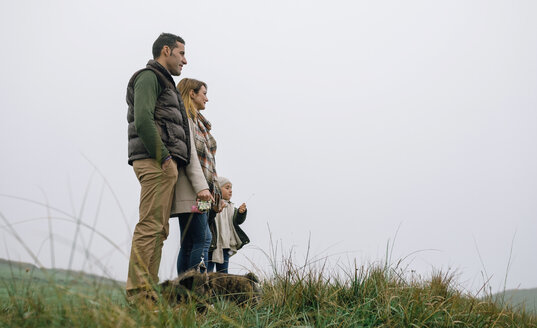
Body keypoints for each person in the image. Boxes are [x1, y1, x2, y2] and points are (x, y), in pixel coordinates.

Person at [125, 33, 190, 301]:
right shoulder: (149, 77)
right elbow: (142, 119)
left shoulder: (165, 82)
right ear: (166, 50)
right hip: (154, 162)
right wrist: (164, 158)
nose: (185, 60)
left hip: (162, 163)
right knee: (150, 226)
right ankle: (138, 292)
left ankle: (148, 292)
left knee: (159, 229)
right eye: (181, 53)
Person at [171, 78, 221, 274]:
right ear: (192, 93)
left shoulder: (197, 122)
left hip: (198, 191)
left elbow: (207, 161)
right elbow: (192, 155)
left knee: (190, 242)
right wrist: (203, 188)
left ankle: (182, 293)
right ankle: (195, 291)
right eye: (204, 93)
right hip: (194, 191)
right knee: (203, 238)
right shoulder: (187, 120)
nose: (207, 99)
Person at [207, 176, 250, 273]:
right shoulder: (211, 204)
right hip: (213, 245)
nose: (230, 191)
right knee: (208, 271)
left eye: (231, 188)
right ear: (217, 188)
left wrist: (241, 213)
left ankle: (221, 288)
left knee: (223, 272)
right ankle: (207, 287)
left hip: (227, 246)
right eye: (227, 188)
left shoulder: (231, 207)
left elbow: (237, 220)